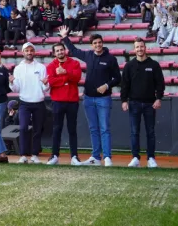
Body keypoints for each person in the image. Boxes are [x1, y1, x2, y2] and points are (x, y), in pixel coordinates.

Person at [59, 25, 121, 166]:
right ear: (92, 45)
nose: (97, 45)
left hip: (104, 99)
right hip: (88, 98)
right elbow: (73, 51)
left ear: (102, 43)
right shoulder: (88, 55)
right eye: (95, 43)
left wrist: (107, 86)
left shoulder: (111, 59)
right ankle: (95, 157)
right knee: (93, 128)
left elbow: (118, 78)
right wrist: (64, 37)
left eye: (99, 42)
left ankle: (107, 157)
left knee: (104, 128)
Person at [121, 38, 165, 168]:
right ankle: (135, 157)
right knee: (134, 132)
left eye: (141, 46)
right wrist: (124, 100)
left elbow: (160, 84)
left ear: (145, 48)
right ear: (134, 49)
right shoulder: (129, 66)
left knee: (150, 132)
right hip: (133, 103)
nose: (139, 49)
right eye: (137, 47)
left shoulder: (154, 65)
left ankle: (151, 158)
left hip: (150, 104)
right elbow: (124, 85)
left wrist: (158, 98)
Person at [10, 42, 49, 164]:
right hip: (24, 103)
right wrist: (11, 83)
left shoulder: (41, 67)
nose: (29, 52)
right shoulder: (18, 68)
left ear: (34, 52)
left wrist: (45, 83)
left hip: (39, 102)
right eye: (27, 50)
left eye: (31, 50)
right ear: (23, 52)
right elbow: (16, 89)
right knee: (23, 128)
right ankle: (23, 155)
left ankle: (35, 155)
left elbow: (46, 89)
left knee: (37, 129)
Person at [46, 42, 82, 166]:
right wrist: (66, 78)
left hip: (72, 101)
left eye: (62, 50)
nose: (60, 52)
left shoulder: (75, 63)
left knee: (72, 130)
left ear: (65, 50)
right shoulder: (51, 65)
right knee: (57, 129)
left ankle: (74, 157)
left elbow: (77, 78)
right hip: (57, 101)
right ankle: (54, 155)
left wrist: (64, 73)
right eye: (57, 51)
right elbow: (51, 81)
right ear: (54, 53)